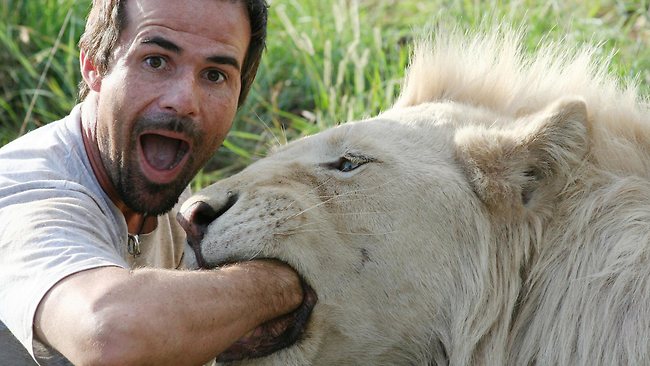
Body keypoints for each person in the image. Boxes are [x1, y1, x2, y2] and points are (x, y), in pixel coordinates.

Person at [0, 0, 305, 364]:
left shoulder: (160, 180)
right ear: (94, 65)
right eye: (155, 61)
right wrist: (284, 283)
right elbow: (110, 335)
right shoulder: (26, 192)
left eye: (215, 75)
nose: (183, 101)